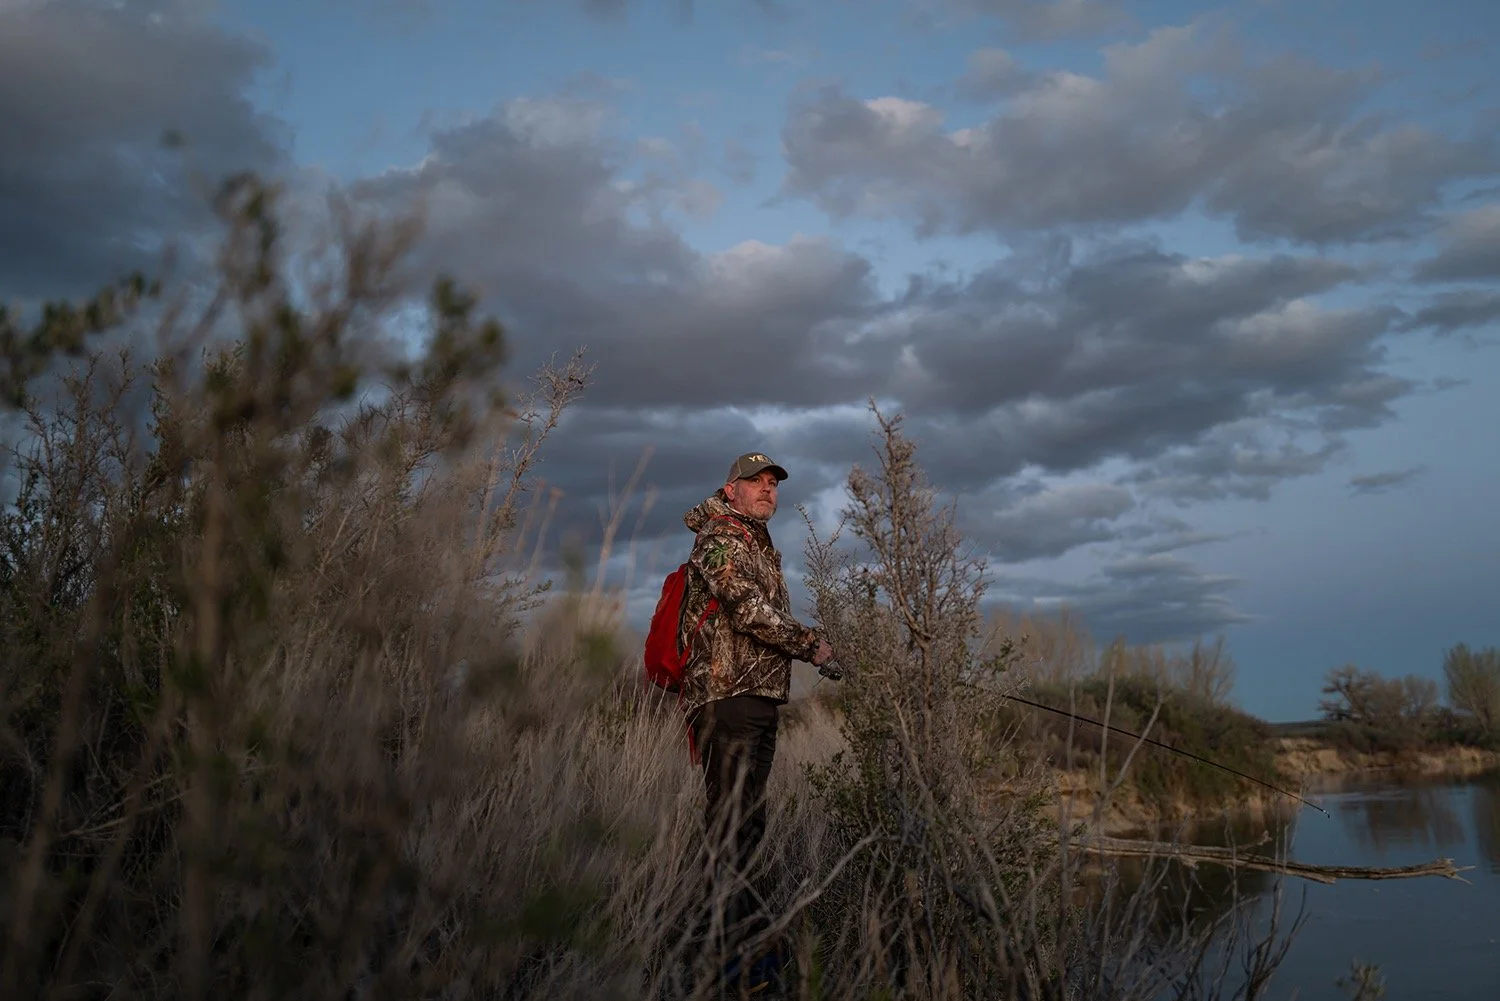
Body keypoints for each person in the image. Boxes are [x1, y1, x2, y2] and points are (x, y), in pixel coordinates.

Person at [678, 451, 836, 988]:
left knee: (743, 823)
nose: (767, 489)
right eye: (756, 481)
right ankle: (723, 961)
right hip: (730, 697)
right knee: (733, 824)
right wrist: (810, 644)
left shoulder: (755, 540)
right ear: (731, 488)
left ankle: (733, 947)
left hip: (755, 697)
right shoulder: (722, 536)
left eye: (772, 483)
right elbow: (745, 609)